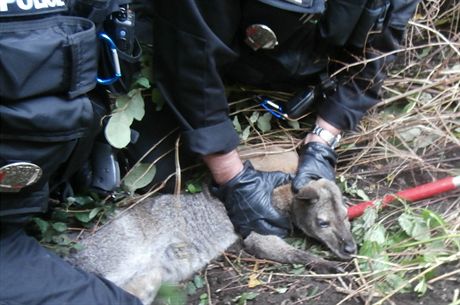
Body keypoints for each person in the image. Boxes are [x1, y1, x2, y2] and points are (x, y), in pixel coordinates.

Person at [151, 0, 421, 238]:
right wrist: (232, 177)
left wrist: (323, 138)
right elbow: (188, 51)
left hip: (309, 68)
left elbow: (378, 51)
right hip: (212, 64)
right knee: (158, 171)